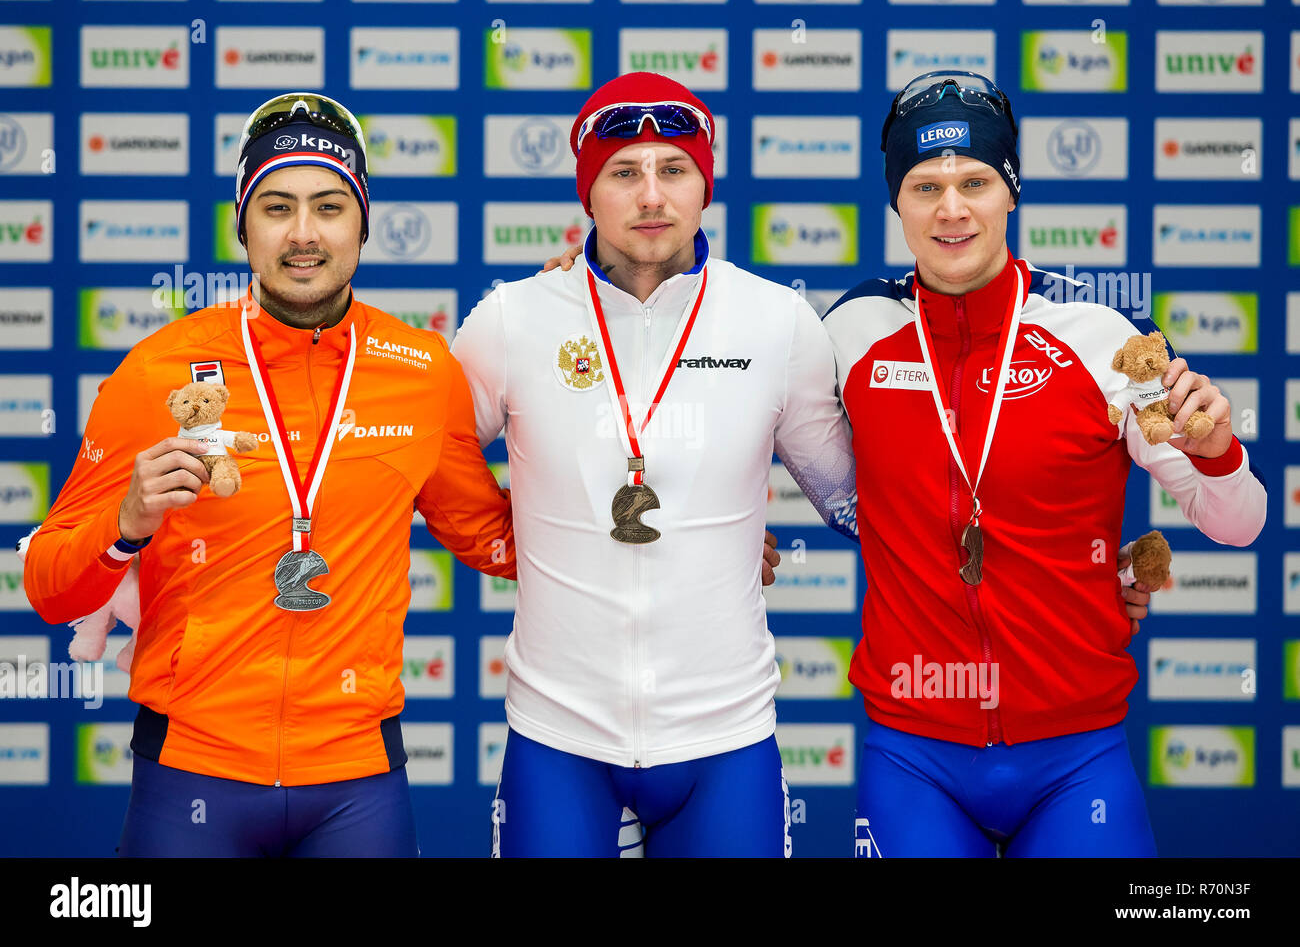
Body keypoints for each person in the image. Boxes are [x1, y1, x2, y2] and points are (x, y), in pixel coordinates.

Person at [24, 93, 517, 857]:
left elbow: (497, 541)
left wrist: (682, 534)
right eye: (277, 206)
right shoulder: (158, 370)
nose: (304, 234)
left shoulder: (424, 373)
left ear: (362, 223)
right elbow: (49, 589)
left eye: (328, 206)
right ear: (241, 227)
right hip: (191, 773)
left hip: (358, 783)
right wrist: (123, 528)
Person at [820, 71, 1267, 856]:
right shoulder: (850, 330)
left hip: (1076, 759)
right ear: (897, 202)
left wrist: (1218, 453)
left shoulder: (1110, 336)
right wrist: (576, 293)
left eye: (975, 182)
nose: (952, 208)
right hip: (913, 752)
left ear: (1011, 192)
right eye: (925, 186)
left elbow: (1237, 522)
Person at [451, 72, 858, 857]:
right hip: (557, 735)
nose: (650, 195)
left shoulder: (776, 323)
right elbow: (422, 467)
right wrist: (518, 538)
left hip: (725, 735)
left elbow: (859, 504)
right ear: (588, 193)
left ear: (705, 185)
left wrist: (1055, 565)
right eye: (623, 172)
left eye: (673, 169)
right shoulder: (512, 320)